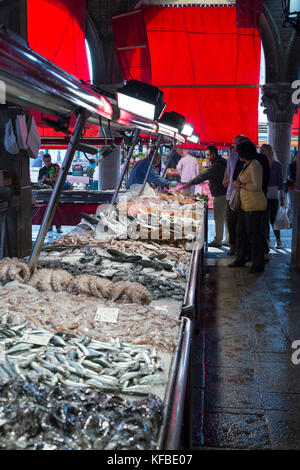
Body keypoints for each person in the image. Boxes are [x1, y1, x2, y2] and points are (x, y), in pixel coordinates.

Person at [229, 141, 267, 273]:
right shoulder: (247, 164)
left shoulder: (255, 165)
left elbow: (257, 186)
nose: (237, 153)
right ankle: (241, 259)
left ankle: (258, 264)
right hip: (245, 205)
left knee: (254, 235)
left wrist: (240, 186)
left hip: (255, 205)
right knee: (241, 233)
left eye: (239, 151)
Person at [182, 145, 227, 247]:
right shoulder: (223, 161)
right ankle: (228, 239)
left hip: (220, 194)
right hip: (225, 193)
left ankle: (218, 240)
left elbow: (204, 176)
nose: (206, 157)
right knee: (225, 218)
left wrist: (190, 183)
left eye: (207, 155)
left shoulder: (216, 166)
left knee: (219, 218)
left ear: (213, 155)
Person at [223, 135, 248, 255]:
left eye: (236, 144)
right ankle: (233, 245)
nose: (235, 146)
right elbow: (228, 174)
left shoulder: (251, 159)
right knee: (231, 221)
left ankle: (242, 247)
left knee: (242, 223)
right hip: (231, 193)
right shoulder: (231, 157)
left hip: (245, 194)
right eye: (234, 144)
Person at [260, 144, 284, 249]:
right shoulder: (260, 163)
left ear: (268, 152)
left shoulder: (277, 165)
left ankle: (278, 240)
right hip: (262, 193)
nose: (261, 153)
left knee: (273, 219)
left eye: (263, 151)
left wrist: (282, 197)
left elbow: (280, 182)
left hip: (273, 194)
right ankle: (267, 240)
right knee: (264, 219)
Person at [38, 153, 62, 233]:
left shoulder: (56, 167)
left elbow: (60, 177)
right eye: (46, 161)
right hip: (46, 193)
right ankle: (49, 226)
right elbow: (39, 182)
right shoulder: (42, 170)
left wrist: (50, 179)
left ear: (51, 160)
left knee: (56, 209)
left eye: (49, 161)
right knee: (46, 209)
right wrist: (43, 179)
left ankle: (58, 227)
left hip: (56, 191)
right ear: (43, 161)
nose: (47, 163)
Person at [286, 154, 297, 227]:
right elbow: (290, 176)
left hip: (297, 186)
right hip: (292, 187)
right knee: (291, 205)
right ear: (296, 156)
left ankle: (293, 221)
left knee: (295, 205)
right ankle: (287, 221)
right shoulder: (291, 165)